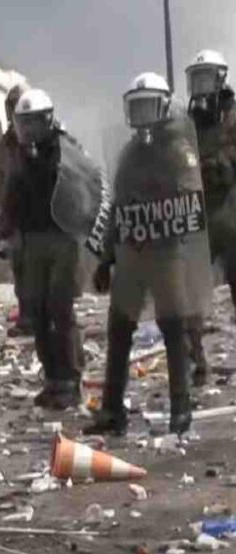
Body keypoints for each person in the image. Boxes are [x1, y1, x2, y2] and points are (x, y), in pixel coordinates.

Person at [85, 73, 212, 436]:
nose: (141, 114)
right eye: (135, 106)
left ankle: (180, 406)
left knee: (173, 328)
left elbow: (189, 203)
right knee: (119, 328)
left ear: (163, 106)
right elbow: (118, 208)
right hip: (132, 255)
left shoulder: (178, 151)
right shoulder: (129, 153)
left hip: (167, 253)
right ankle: (112, 409)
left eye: (147, 105)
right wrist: (107, 257)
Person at [0, 89, 95, 410]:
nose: (29, 131)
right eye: (23, 124)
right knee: (37, 311)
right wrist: (3, 233)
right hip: (32, 240)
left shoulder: (66, 149)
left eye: (34, 124)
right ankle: (53, 378)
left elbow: (85, 189)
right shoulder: (19, 155)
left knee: (60, 308)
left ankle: (72, 377)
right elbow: (11, 196)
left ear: (48, 120)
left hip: (63, 239)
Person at [185, 49, 236, 385]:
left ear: (220, 80)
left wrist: (216, 164)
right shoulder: (186, 125)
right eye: (196, 79)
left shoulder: (233, 117)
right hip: (198, 220)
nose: (200, 87)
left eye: (206, 79)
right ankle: (197, 362)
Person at [0, 84, 34, 337]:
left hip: (43, 215)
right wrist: (2, 214)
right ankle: (27, 317)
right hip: (16, 215)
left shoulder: (45, 137)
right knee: (21, 268)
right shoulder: (4, 146)